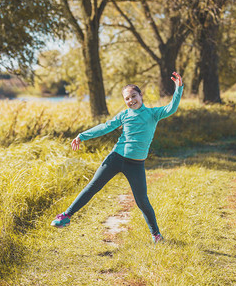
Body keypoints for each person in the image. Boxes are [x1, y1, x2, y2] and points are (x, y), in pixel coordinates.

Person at [51, 72, 184, 244]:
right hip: (116, 157)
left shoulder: (153, 114)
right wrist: (82, 136)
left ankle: (156, 235)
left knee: (142, 201)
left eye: (133, 96)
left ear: (140, 96)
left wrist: (178, 88)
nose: (131, 101)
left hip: (136, 164)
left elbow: (171, 108)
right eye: (127, 98)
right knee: (93, 186)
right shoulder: (124, 115)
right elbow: (105, 127)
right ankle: (66, 215)